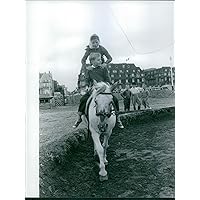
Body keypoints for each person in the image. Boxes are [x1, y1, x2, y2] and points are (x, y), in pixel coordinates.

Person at [73, 52, 124, 129]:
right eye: (98, 60)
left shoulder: (103, 68)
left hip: (104, 88)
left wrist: (109, 85)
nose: (100, 61)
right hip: (94, 88)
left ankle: (117, 118)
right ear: (92, 61)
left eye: (100, 60)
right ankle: (79, 118)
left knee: (115, 100)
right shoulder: (89, 70)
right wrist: (87, 86)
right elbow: (87, 79)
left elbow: (108, 78)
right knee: (83, 99)